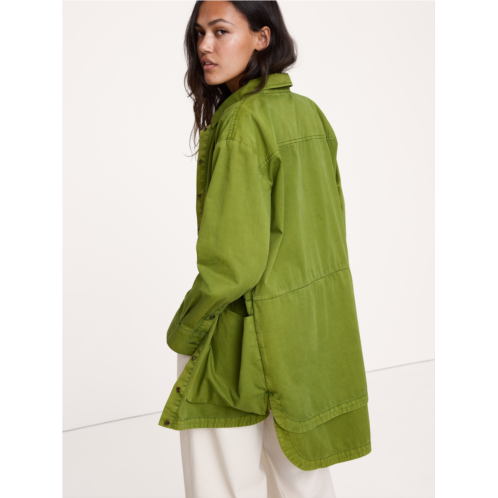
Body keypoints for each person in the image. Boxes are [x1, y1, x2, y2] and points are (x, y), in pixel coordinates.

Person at [158, 1, 371, 496]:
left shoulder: (240, 123)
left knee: (223, 484)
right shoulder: (308, 114)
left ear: (262, 37)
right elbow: (327, 231)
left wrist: (186, 331)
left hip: (240, 336)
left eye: (220, 31)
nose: (205, 46)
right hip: (307, 332)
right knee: (302, 476)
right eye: (199, 33)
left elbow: (232, 265)